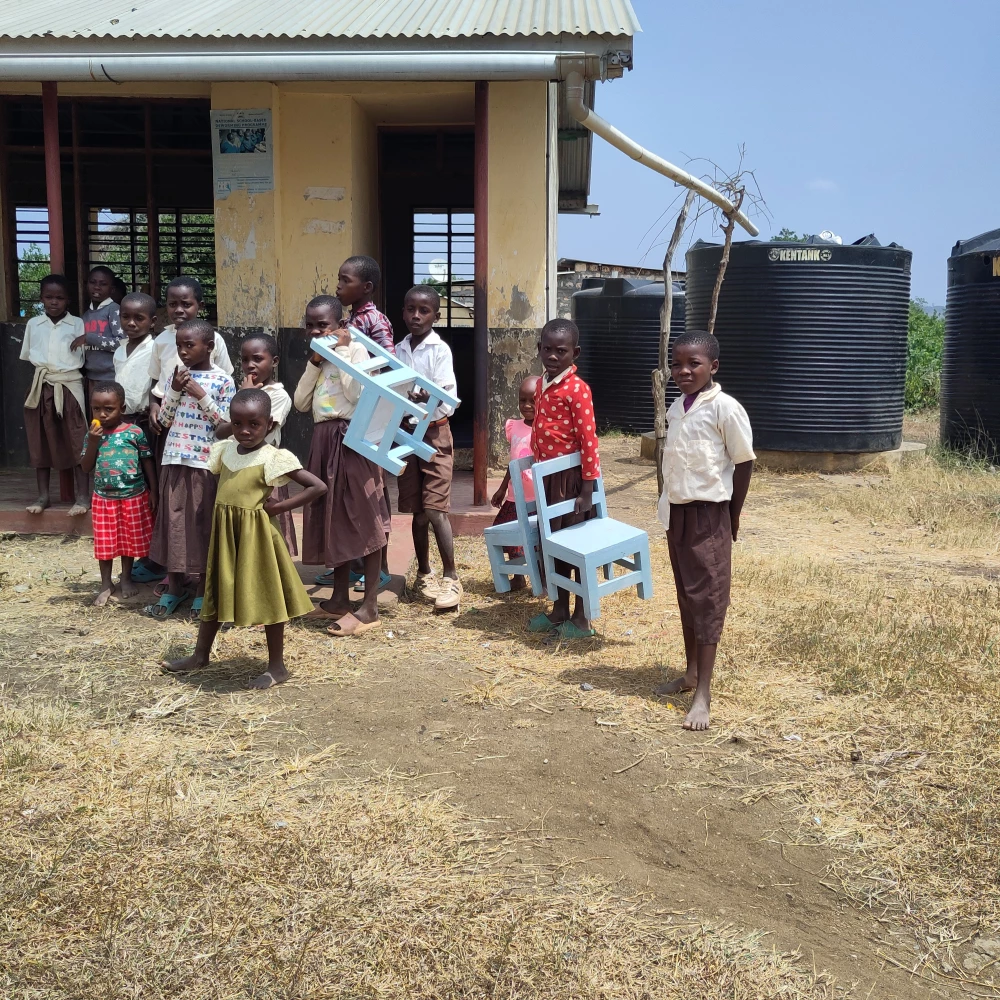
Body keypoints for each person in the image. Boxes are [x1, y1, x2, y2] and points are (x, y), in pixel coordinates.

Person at [161, 389, 326, 689]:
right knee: (214, 589)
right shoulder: (224, 451)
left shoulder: (273, 457)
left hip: (257, 538)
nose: (245, 431)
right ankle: (200, 656)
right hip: (226, 535)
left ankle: (277, 667)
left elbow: (317, 487)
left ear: (270, 425)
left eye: (254, 424)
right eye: (237, 424)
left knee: (268, 595)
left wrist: (278, 506)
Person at [654, 331, 755, 732]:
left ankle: (703, 696)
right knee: (686, 595)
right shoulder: (677, 407)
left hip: (709, 513)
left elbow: (744, 461)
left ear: (712, 366)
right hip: (676, 513)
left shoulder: (725, 409)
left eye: (693, 363)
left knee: (708, 600)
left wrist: (733, 514)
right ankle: (691, 672)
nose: (683, 371)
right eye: (676, 364)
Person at [295, 295, 391, 636]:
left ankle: (369, 606)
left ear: (341, 327)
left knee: (363, 514)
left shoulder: (356, 352)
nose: (316, 331)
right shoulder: (318, 361)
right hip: (324, 440)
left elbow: (355, 395)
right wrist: (315, 362)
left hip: (351, 439)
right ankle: (338, 597)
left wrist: (343, 353)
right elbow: (301, 402)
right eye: (311, 325)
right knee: (333, 516)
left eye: (324, 325)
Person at [145, 319, 235, 618]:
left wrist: (199, 393)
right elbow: (166, 420)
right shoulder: (178, 376)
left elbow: (225, 426)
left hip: (205, 464)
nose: (183, 351)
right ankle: (174, 586)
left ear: (209, 347)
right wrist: (172, 390)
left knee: (201, 525)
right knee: (174, 524)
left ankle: (202, 590)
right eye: (179, 345)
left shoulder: (223, 380)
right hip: (174, 459)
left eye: (189, 345)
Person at [528, 318, 602, 640]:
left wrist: (587, 489)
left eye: (562, 351)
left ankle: (582, 618)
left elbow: (588, 441)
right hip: (548, 481)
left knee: (576, 547)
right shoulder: (542, 384)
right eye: (547, 349)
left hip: (570, 483)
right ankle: (558, 610)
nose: (553, 356)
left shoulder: (577, 389)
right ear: (539, 349)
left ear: (576, 353)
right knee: (551, 546)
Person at [395, 285, 462, 610]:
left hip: (434, 434)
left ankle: (451, 577)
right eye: (411, 309)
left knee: (436, 509)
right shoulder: (398, 348)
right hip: (407, 435)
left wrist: (429, 395)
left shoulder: (439, 350)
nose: (416, 316)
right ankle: (424, 572)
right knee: (418, 513)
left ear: (436, 315)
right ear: (404, 311)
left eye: (424, 310)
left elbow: (448, 397)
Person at [79, 380, 157, 606]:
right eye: (96, 408)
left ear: (122, 408)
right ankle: (105, 583)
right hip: (104, 499)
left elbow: (147, 460)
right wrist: (93, 441)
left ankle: (126, 579)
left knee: (127, 542)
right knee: (105, 543)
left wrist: (154, 491)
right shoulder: (92, 434)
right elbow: (85, 467)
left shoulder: (135, 432)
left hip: (133, 496)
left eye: (109, 409)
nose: (102, 414)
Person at [20, 274, 89, 516]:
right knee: (40, 440)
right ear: (41, 299)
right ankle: (43, 496)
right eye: (49, 297)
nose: (54, 302)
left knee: (78, 439)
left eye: (59, 298)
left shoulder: (78, 324)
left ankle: (82, 497)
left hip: (69, 384)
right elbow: (29, 356)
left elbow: (83, 357)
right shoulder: (33, 324)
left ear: (68, 300)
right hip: (41, 385)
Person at [147, 276, 233, 446]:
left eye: (186, 304)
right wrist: (153, 405)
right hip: (168, 418)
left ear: (200, 306)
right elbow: (155, 379)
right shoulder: (161, 340)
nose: (179, 310)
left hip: (204, 422)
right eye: (173, 304)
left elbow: (225, 379)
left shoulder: (214, 339)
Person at [237, 332, 297, 555]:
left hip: (266, 471)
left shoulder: (279, 395)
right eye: (244, 360)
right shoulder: (243, 391)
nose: (250, 365)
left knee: (270, 531)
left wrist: (246, 396)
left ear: (274, 361)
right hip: (240, 467)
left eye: (257, 359)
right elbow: (223, 429)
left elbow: (262, 433)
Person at [490, 375, 540, 591]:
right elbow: (513, 463)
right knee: (506, 533)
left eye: (533, 400)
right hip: (515, 496)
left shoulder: (545, 429)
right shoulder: (514, 427)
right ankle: (518, 578)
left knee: (536, 541)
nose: (527, 406)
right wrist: (502, 489)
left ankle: (540, 579)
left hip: (537, 497)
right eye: (522, 400)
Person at [74, 265, 122, 403]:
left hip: (111, 378)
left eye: (103, 284)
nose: (97, 287)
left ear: (111, 289)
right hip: (91, 377)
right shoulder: (86, 315)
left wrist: (90, 338)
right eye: (93, 282)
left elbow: (121, 342)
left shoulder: (114, 310)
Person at [113, 291, 157, 443]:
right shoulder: (119, 351)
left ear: (152, 322)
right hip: (122, 418)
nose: (131, 323)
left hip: (145, 419)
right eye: (125, 317)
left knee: (147, 462)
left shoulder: (155, 349)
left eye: (139, 318)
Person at [336, 254, 395, 354]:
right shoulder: (348, 319)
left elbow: (389, 360)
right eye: (339, 280)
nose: (338, 286)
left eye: (346, 281)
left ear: (367, 287)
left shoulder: (375, 320)